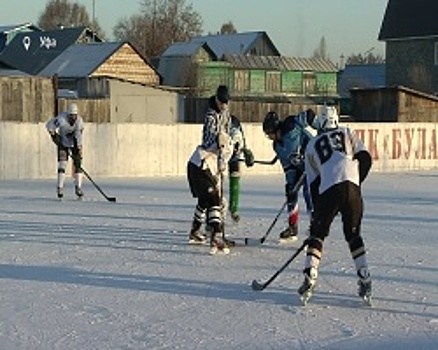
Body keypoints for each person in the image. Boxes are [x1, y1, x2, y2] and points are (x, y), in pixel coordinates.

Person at [298, 105, 373, 305]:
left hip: (329, 190)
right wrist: (355, 182)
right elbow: (366, 158)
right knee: (353, 234)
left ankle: (310, 273)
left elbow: (312, 185)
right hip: (352, 188)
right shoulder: (348, 132)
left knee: (318, 235)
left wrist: (315, 216)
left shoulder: (312, 144)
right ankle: (364, 275)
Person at [187, 85, 235, 254]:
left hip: (205, 165)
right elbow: (210, 141)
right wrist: (221, 144)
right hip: (201, 164)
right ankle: (216, 236)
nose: (223, 105)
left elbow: (228, 135)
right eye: (221, 102)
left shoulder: (226, 115)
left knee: (205, 200)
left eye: (226, 102)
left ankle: (195, 231)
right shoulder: (210, 116)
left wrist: (226, 150)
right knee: (215, 199)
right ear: (216, 99)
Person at [261, 109, 317, 241]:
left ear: (275, 129)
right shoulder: (277, 146)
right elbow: (287, 166)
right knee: (290, 191)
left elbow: (309, 114)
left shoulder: (291, 125)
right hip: (299, 167)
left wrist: (320, 127)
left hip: (315, 161)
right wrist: (291, 183)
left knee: (308, 191)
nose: (269, 137)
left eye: (269, 133)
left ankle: (315, 227)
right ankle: (293, 227)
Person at [46, 102, 84, 199]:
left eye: (75, 116)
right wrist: (54, 135)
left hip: (74, 144)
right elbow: (49, 125)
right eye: (71, 116)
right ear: (68, 115)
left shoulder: (79, 121)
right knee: (62, 164)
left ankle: (78, 187)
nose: (73, 119)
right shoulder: (61, 119)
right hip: (62, 143)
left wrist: (78, 148)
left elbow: (78, 136)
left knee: (78, 165)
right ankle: (60, 187)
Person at [228, 115, 255, 222]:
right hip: (220, 151)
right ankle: (213, 213)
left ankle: (233, 209)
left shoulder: (236, 131)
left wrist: (245, 152)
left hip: (233, 154)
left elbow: (242, 142)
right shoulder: (222, 124)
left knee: (235, 178)